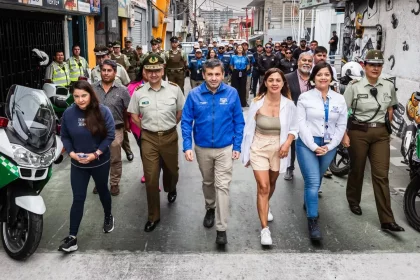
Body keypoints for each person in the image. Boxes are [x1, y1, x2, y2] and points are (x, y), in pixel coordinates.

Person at [182, 59, 245, 245]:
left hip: (225, 148)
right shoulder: (194, 95)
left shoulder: (232, 93)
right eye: (210, 74)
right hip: (202, 148)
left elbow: (239, 122)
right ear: (203, 75)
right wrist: (187, 146)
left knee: (223, 186)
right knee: (208, 182)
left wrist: (237, 146)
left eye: (217, 74)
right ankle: (210, 207)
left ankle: (221, 228)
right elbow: (186, 122)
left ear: (223, 74)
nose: (214, 78)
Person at [342, 50, 405, 232]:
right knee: (357, 169)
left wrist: (386, 128)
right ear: (364, 66)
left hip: (380, 135)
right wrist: (344, 134)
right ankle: (353, 200)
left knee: (381, 175)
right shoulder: (354, 86)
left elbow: (391, 109)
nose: (375, 68)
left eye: (379, 65)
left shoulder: (388, 86)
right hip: (358, 132)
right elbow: (343, 111)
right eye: (372, 64)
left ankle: (387, 219)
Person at [127, 54, 185, 232]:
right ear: (144, 71)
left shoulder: (174, 89)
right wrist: (145, 128)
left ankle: (171, 187)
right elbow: (134, 116)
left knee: (172, 171)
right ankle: (153, 216)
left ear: (163, 70)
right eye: (150, 70)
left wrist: (168, 127)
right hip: (149, 139)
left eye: (157, 70)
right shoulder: (138, 93)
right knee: (151, 178)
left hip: (169, 136)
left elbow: (179, 113)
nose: (153, 74)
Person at [241, 68, 298, 246]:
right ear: (265, 83)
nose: (274, 83)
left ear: (283, 84)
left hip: (279, 149)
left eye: (278, 80)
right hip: (259, 147)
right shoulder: (257, 103)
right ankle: (265, 229)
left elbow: (294, 128)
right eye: (271, 80)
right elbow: (248, 129)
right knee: (263, 186)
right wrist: (246, 152)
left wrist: (287, 144)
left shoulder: (289, 104)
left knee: (271, 184)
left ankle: (266, 205)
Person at [59, 80, 115, 253]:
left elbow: (110, 135)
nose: (80, 100)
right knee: (78, 198)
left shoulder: (103, 112)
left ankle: (108, 216)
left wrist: (96, 153)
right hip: (78, 163)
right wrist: (72, 153)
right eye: (76, 96)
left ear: (90, 94)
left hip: (99, 161)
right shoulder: (68, 114)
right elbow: (65, 136)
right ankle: (72, 237)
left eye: (84, 95)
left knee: (103, 190)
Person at [296, 62, 347, 240]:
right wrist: (313, 146)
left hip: (329, 145)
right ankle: (313, 220)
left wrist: (330, 146)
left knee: (316, 181)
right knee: (312, 180)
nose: (323, 78)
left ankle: (308, 202)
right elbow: (300, 124)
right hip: (307, 144)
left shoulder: (339, 99)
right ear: (313, 78)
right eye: (319, 75)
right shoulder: (304, 98)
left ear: (331, 77)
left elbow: (341, 125)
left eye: (326, 74)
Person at [93, 59, 131, 196]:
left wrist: (127, 124)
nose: (106, 73)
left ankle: (114, 183)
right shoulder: (92, 88)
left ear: (115, 72)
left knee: (114, 157)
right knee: (97, 157)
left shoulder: (122, 90)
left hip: (115, 128)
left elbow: (127, 109)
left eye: (109, 71)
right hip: (96, 129)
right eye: (103, 70)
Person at [284, 53, 313, 180]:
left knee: (309, 144)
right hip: (292, 116)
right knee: (292, 143)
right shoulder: (287, 78)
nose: (306, 63)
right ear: (298, 62)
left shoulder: (316, 78)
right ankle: (289, 168)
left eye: (309, 61)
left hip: (311, 118)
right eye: (304, 60)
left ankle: (310, 174)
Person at [127, 65, 147, 183]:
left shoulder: (166, 87)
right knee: (145, 150)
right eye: (147, 70)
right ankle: (149, 175)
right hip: (138, 125)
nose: (151, 73)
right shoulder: (133, 87)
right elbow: (127, 108)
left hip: (158, 125)